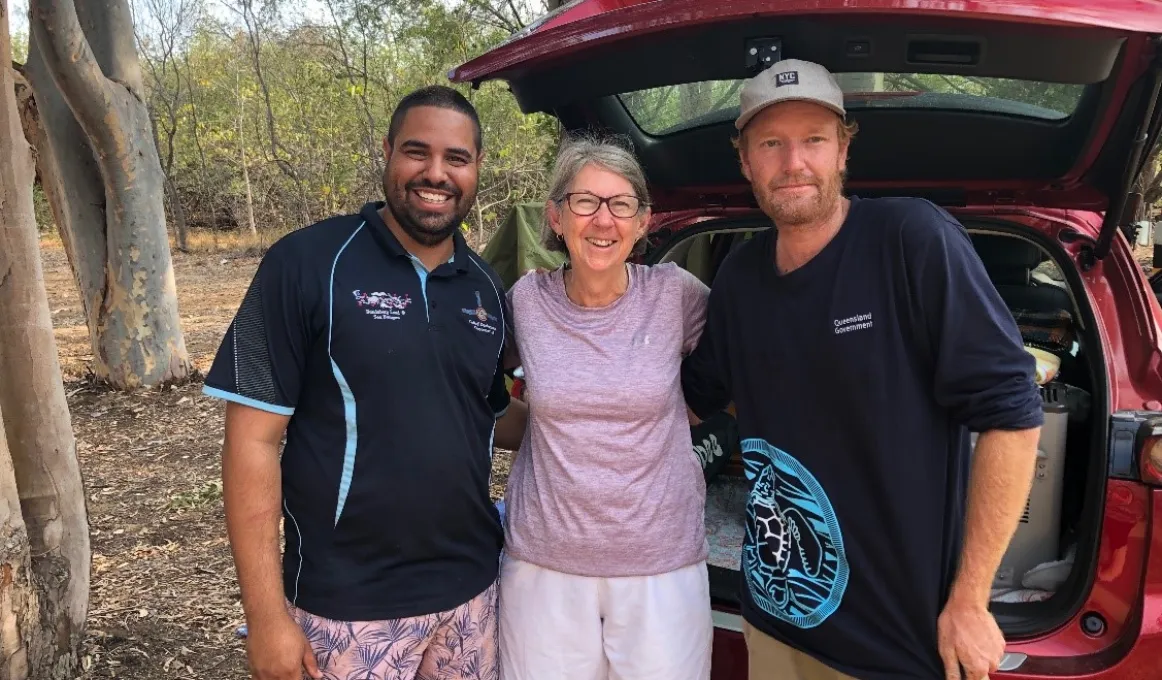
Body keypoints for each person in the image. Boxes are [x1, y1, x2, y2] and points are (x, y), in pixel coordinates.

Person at [680, 59, 1044, 680]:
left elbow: (1012, 414)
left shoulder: (912, 239)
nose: (793, 162)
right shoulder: (739, 278)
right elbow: (693, 400)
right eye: (770, 143)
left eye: (814, 139)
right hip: (770, 616)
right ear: (744, 159)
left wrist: (970, 598)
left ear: (844, 148)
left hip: (892, 644)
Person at [202, 85, 527, 680]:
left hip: (472, 595)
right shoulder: (304, 264)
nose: (436, 173)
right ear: (386, 152)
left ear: (477, 168)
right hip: (345, 607)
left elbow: (489, 414)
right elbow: (251, 443)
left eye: (456, 158)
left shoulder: (485, 287)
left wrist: (591, 417)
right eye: (416, 151)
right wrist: (267, 615)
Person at [498, 135, 714, 680]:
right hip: (545, 565)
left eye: (621, 204)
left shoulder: (674, 294)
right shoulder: (526, 301)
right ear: (555, 215)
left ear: (643, 222)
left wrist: (689, 417)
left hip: (661, 566)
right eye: (585, 201)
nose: (603, 220)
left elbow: (741, 365)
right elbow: (476, 389)